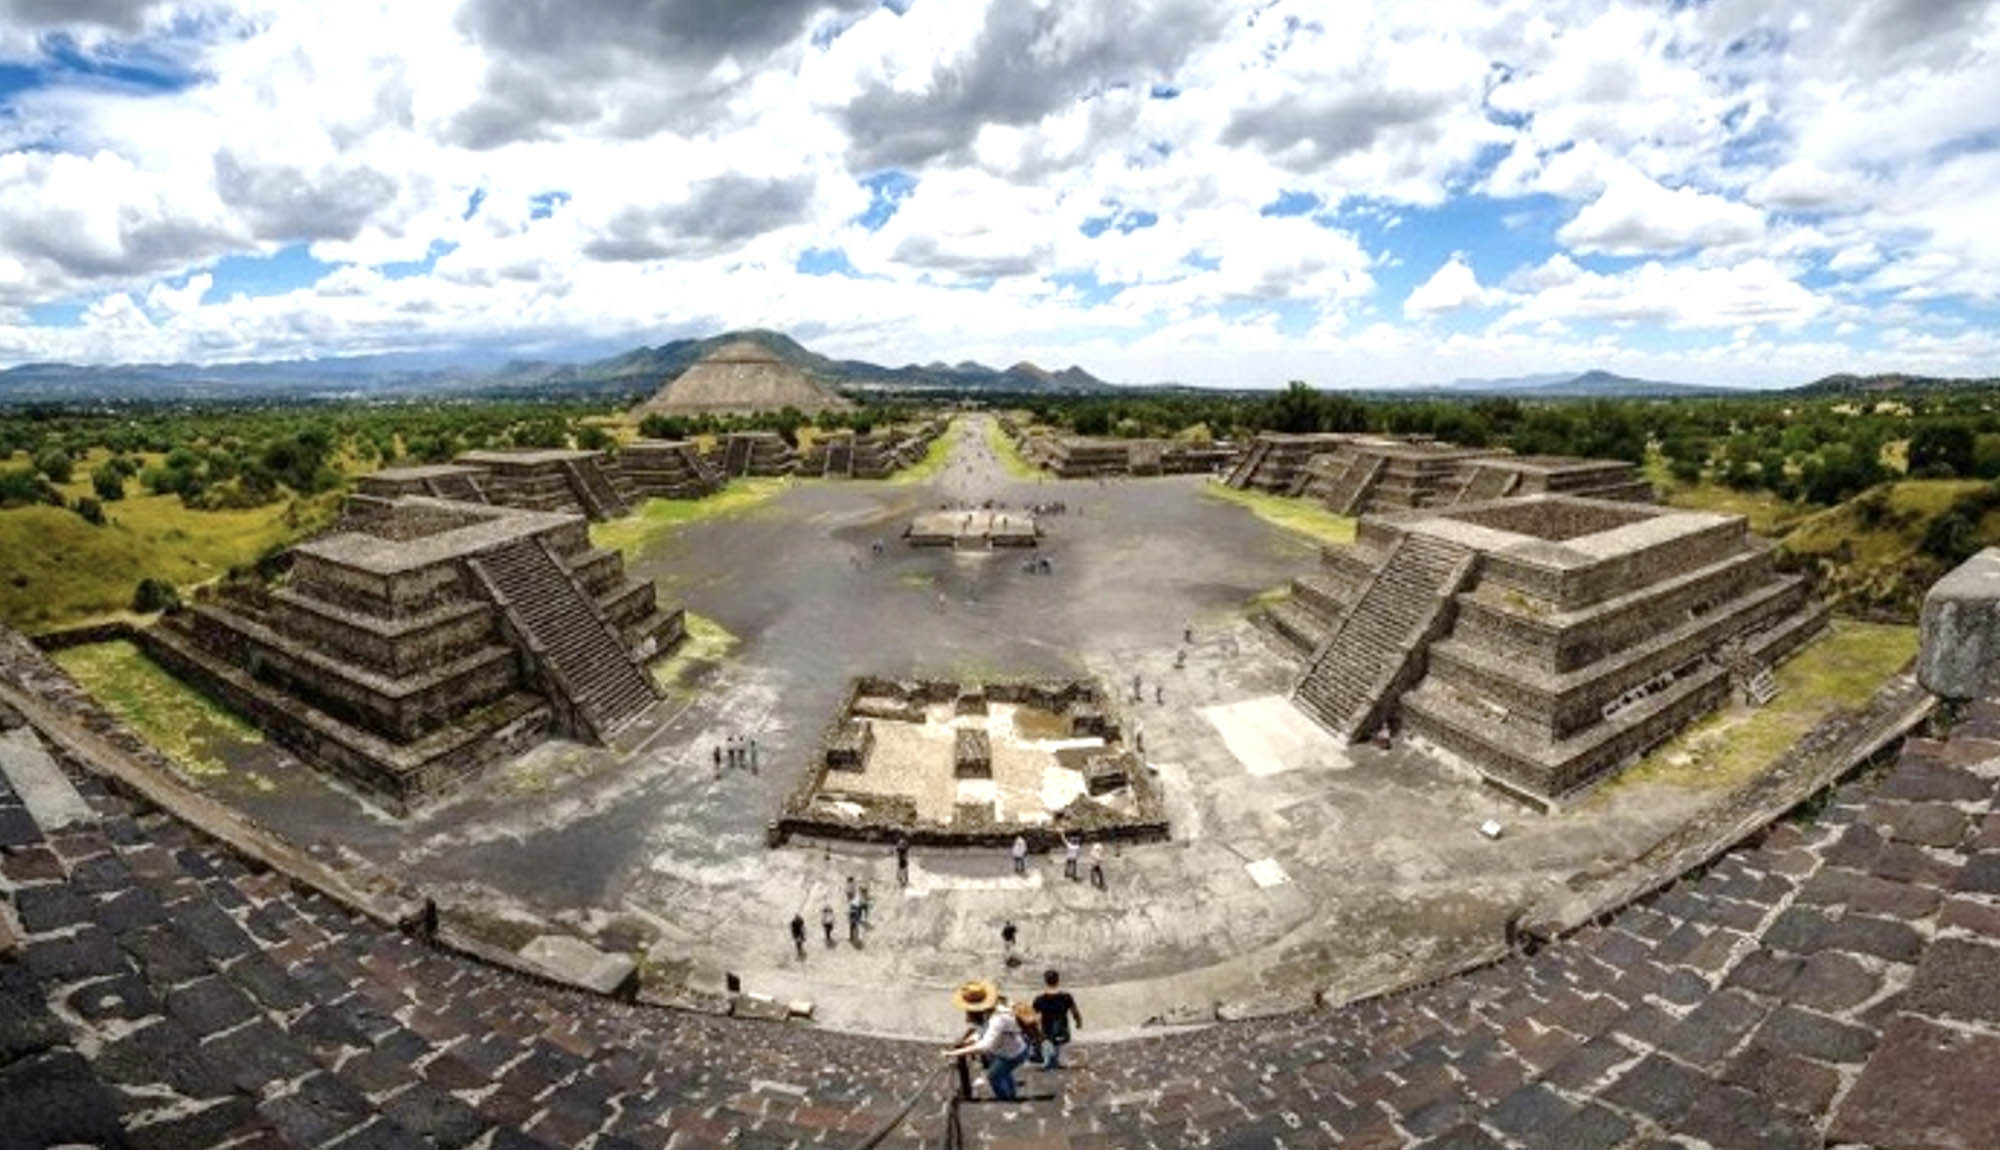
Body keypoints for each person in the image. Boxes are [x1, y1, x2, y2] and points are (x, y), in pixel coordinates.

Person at [944, 980, 1030, 1102]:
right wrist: (970, 1040)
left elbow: (985, 1045)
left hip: (1013, 1053)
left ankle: (1006, 1100)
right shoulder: (992, 1012)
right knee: (1004, 1073)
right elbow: (982, 1031)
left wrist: (954, 1053)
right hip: (1010, 1050)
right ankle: (1011, 1097)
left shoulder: (998, 1018)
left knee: (993, 1076)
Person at [1033, 970, 1082, 1071]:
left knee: (1047, 1044)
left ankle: (1048, 1062)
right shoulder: (1066, 997)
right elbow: (1075, 1011)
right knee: (1060, 1045)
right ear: (1058, 980)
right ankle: (1058, 1061)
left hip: (1046, 1029)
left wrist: (1034, 1030)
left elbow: (1033, 1016)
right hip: (1062, 1028)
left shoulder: (1040, 999)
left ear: (1045, 981)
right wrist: (1078, 1022)